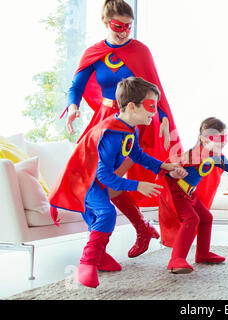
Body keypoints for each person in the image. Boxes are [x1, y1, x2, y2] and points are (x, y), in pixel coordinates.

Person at [63, 0, 183, 258]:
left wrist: (162, 117)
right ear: (106, 23)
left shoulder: (140, 51)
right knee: (87, 181)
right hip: (102, 122)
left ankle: (130, 234)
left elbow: (154, 90)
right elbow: (76, 86)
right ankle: (120, 236)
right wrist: (72, 106)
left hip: (132, 123)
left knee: (109, 179)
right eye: (119, 26)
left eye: (129, 26)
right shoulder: (94, 52)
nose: (124, 31)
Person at [48, 77, 187, 288]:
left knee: (100, 217)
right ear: (131, 106)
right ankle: (87, 264)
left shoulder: (129, 129)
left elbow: (138, 155)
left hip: (95, 181)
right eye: (151, 106)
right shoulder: (112, 133)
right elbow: (103, 176)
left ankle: (100, 257)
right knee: (106, 213)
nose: (154, 112)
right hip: (83, 182)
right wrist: (138, 185)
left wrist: (162, 166)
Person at [157, 117, 228, 274]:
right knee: (192, 218)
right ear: (203, 138)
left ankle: (203, 253)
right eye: (216, 138)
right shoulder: (192, 155)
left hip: (189, 193)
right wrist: (174, 173)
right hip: (177, 192)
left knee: (206, 218)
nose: (222, 142)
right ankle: (176, 260)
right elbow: (166, 169)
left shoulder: (216, 156)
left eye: (224, 138)